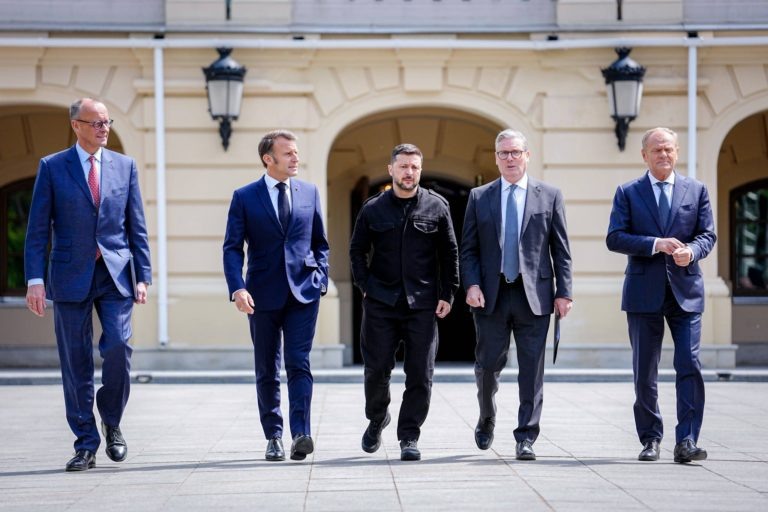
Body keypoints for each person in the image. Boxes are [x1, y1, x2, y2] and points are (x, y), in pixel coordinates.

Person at [24, 98, 152, 472]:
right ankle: (85, 443)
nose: (103, 128)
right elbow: (36, 229)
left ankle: (111, 420)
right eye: (95, 123)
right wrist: (35, 280)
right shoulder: (52, 167)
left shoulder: (124, 167)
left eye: (107, 122)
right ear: (76, 125)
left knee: (118, 347)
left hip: (115, 273)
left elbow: (136, 226)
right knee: (75, 362)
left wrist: (143, 275)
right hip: (68, 275)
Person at [460, 129, 573, 461]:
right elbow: (468, 250)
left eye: (515, 152)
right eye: (503, 153)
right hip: (491, 296)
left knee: (531, 371)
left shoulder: (549, 195)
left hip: (534, 296)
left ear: (527, 155)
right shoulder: (480, 197)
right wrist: (472, 285)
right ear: (496, 158)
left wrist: (564, 292)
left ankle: (526, 436)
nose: (509, 158)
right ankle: (486, 415)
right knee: (486, 367)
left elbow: (561, 250)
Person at [606, 127, 716, 463]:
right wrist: (655, 245)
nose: (664, 155)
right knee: (645, 370)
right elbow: (615, 238)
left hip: (686, 291)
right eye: (657, 150)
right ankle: (651, 438)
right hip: (643, 292)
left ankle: (686, 440)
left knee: (689, 363)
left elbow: (707, 235)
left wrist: (692, 253)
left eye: (669, 149)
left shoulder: (696, 190)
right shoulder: (628, 192)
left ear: (677, 152)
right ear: (644, 155)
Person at [223, 130, 329, 462]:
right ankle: (274, 436)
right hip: (261, 295)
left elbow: (320, 243)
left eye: (296, 153)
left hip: (304, 293)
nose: (296, 158)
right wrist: (237, 288)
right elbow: (231, 248)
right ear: (269, 159)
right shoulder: (244, 196)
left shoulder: (309, 191)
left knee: (299, 363)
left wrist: (321, 279)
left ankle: (302, 433)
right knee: (267, 368)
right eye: (288, 154)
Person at [349, 143, 459, 462]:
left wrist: (448, 293)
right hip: (380, 302)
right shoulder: (372, 208)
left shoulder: (437, 207)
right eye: (403, 166)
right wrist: (365, 286)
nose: (409, 172)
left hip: (423, 304)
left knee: (420, 374)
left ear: (419, 171)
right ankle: (377, 416)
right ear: (391, 169)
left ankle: (409, 436)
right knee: (376, 369)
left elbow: (450, 253)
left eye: (414, 167)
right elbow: (356, 252)